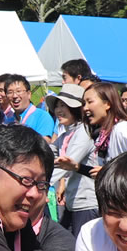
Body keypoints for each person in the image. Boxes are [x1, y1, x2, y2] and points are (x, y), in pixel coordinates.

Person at [47, 84, 98, 237]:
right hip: (73, 202)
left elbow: (67, 163)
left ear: (76, 109)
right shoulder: (66, 134)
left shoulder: (83, 132)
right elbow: (47, 153)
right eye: (57, 106)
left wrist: (40, 183)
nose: (58, 110)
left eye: (64, 106)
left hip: (86, 202)